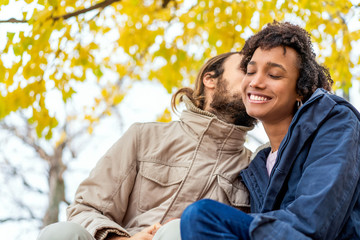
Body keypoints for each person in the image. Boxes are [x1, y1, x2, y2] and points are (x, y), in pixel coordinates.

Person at [37, 52, 256, 240]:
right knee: (60, 233)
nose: (254, 81)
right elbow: (85, 209)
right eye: (247, 69)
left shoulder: (254, 168)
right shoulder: (144, 136)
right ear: (210, 79)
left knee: (176, 231)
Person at [180, 22, 360, 239]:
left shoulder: (333, 120)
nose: (256, 82)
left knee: (202, 216)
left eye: (274, 75)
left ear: (300, 90)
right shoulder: (256, 167)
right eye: (250, 71)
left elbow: (314, 222)